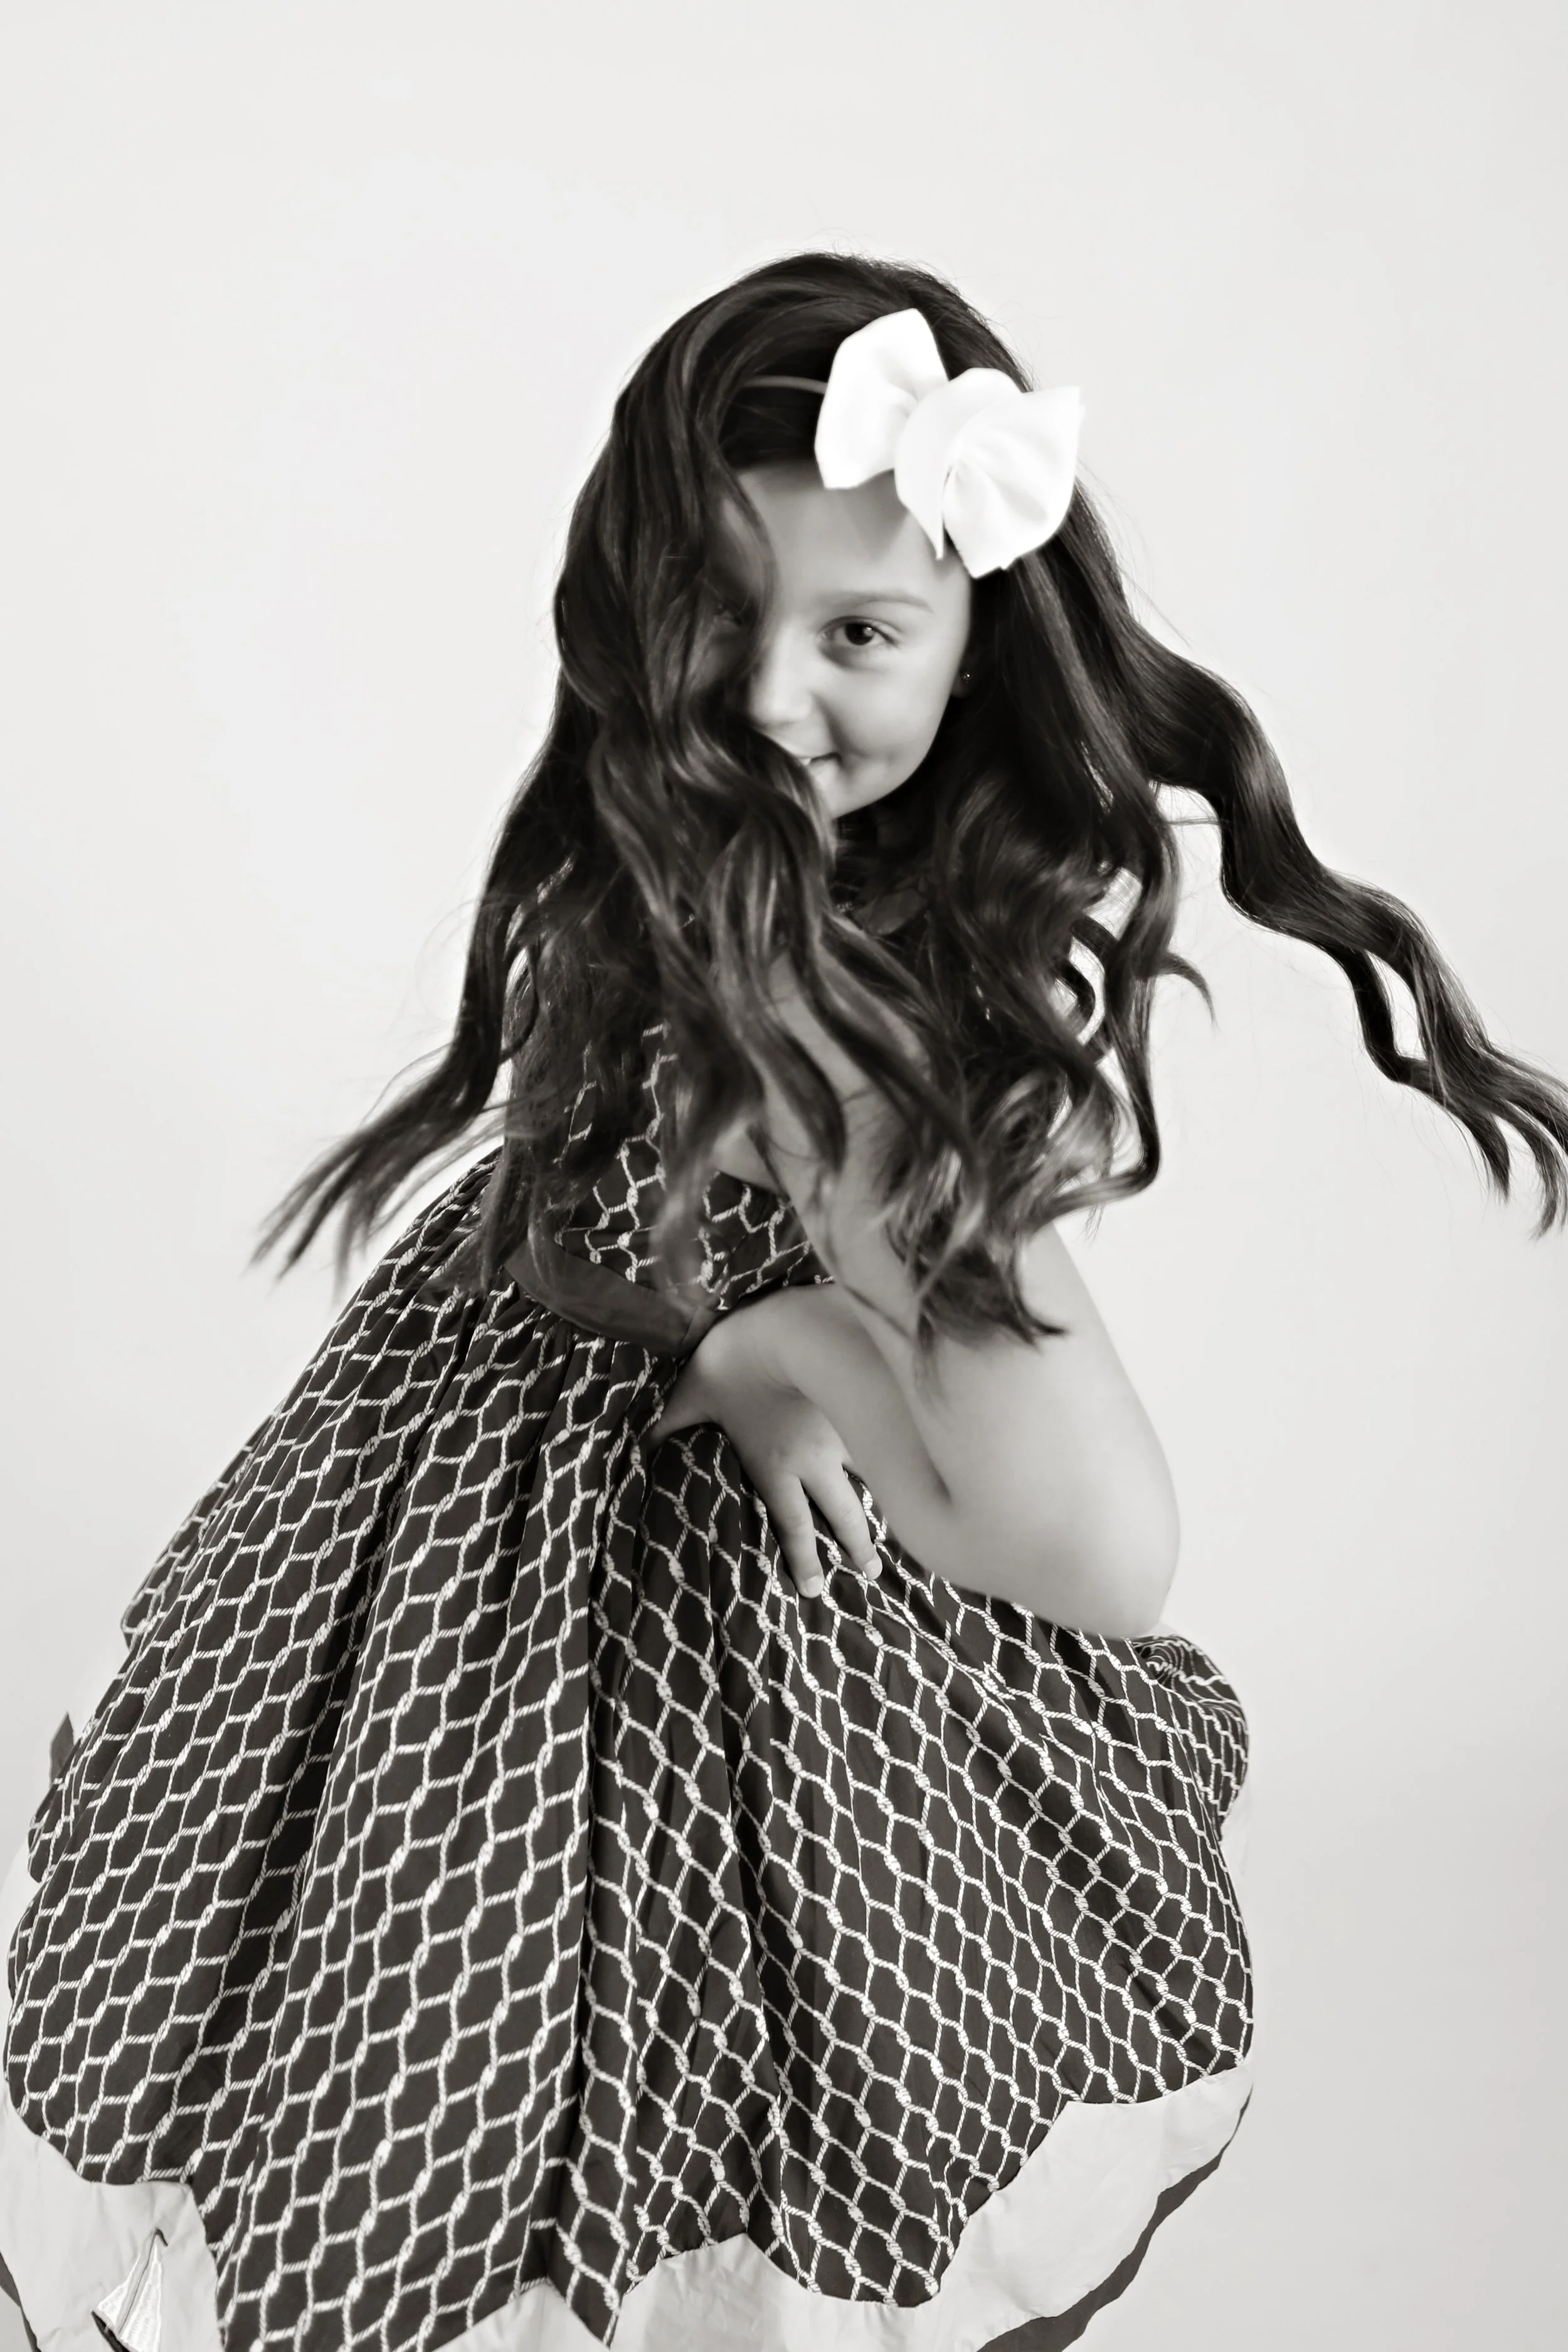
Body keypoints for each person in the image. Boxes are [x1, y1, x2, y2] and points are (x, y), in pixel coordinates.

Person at [2, 251, 1564, 2352]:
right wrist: (740, 1341)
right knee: (436, 1953)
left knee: (807, 1965)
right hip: (485, 1530)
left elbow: (1090, 1544)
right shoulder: (636, 905)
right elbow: (547, 1216)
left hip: (825, 1595)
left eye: (856, 633)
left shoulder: (912, 993)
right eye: (717, 623)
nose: (766, 697)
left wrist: (828, 1303)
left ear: (970, 646)